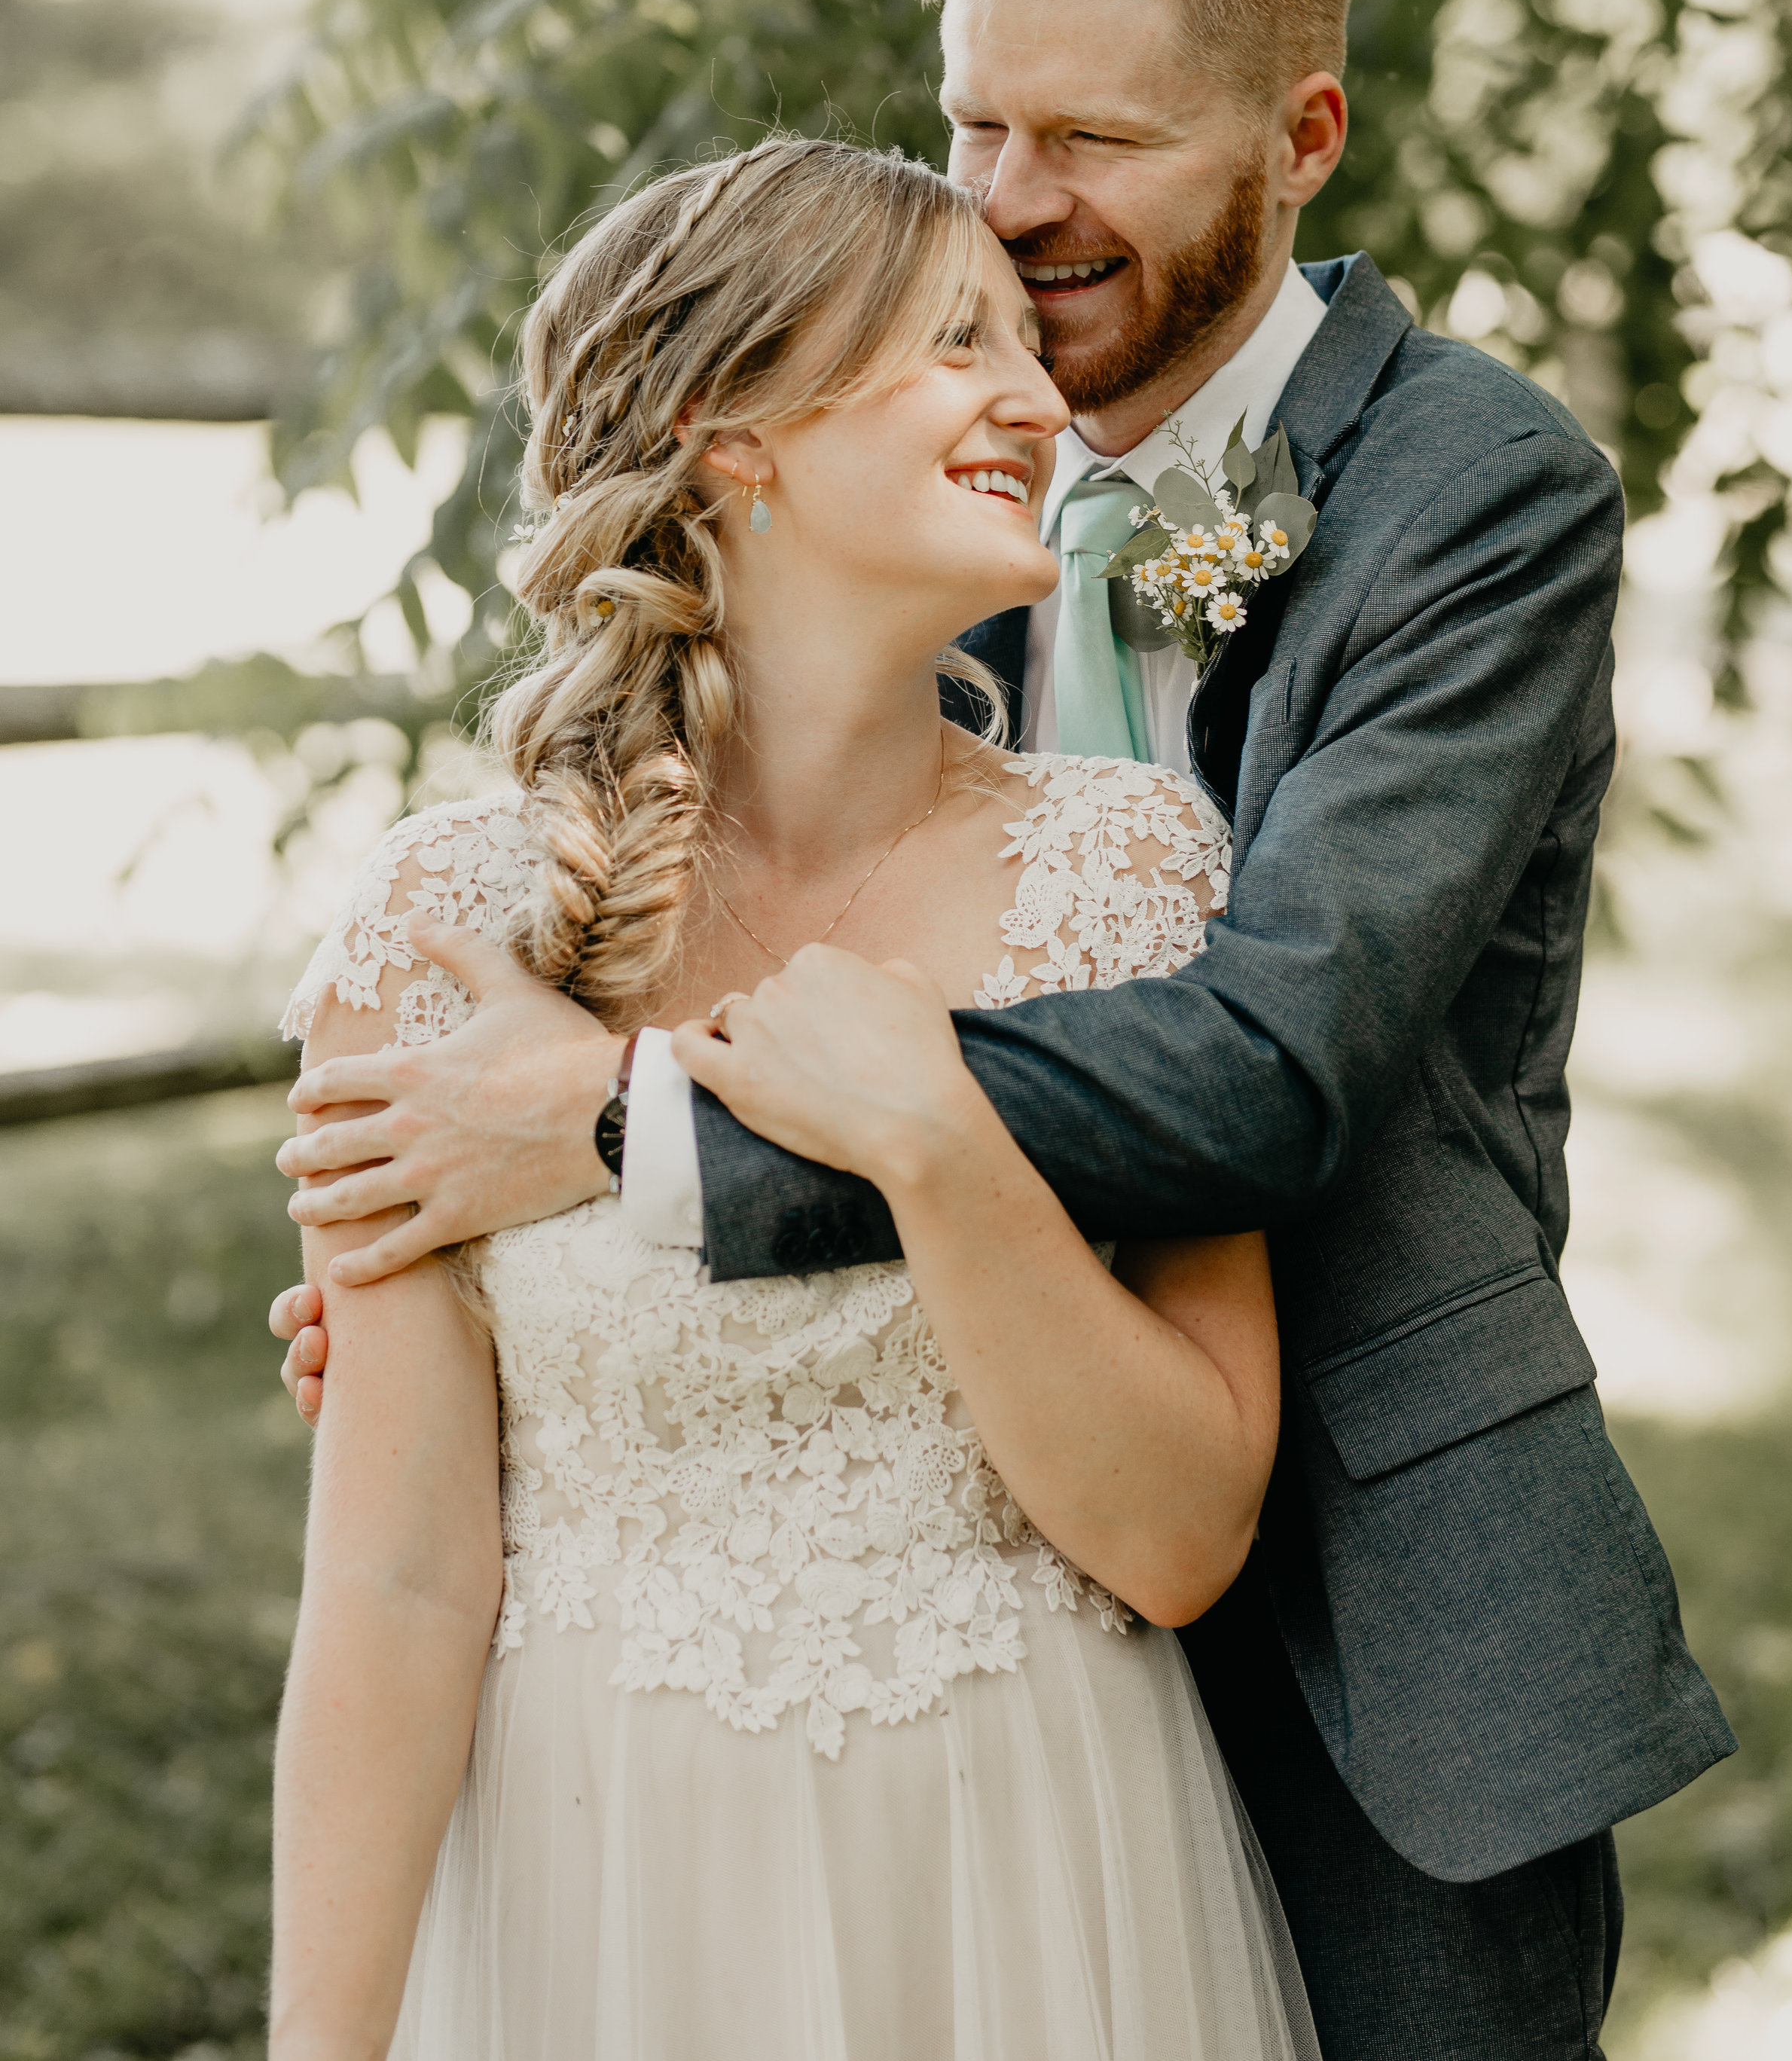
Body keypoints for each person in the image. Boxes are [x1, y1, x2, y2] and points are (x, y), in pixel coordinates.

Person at [274, 0, 1734, 2059]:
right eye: (974, 129)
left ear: (1302, 136)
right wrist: (519, 1304)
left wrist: (622, 1147)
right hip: (762, 1699)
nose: (1016, 208)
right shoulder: (918, 485)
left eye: (1098, 145)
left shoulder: (1471, 492)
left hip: (1363, 1581)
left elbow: (1277, 1056)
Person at [269, 136, 1321, 2059]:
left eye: (1025, 341)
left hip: (1030, 1876)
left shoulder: (1131, 876)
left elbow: (1177, 1537)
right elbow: (400, 1579)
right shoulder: (446, 923)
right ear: (728, 435)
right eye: (949, 344)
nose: (1032, 393)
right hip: (603, 1889)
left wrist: (930, 1137)